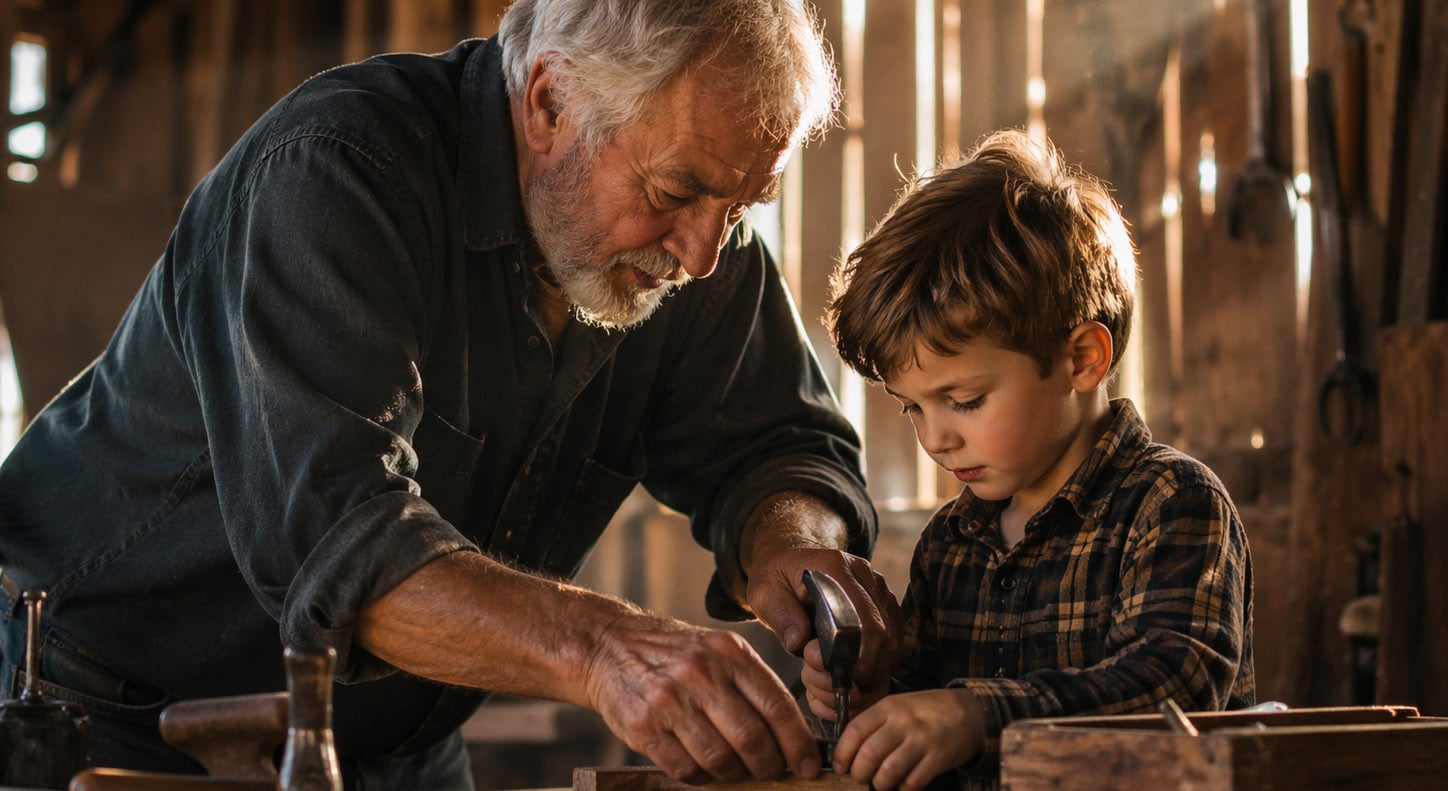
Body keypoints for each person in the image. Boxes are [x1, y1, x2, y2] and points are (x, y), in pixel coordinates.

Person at [0, 1, 903, 787]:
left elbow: (778, 445)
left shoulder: (695, 233)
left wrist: (794, 547)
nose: (705, 253)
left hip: (394, 739)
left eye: (742, 209)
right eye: (678, 192)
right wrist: (604, 649)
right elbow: (344, 545)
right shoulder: (334, 172)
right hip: (109, 706)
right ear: (551, 102)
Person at [802, 129, 1255, 790]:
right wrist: (875, 704)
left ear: (1081, 358)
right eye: (912, 407)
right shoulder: (949, 546)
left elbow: (1178, 691)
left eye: (964, 399)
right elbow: (928, 714)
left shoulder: (1171, 503)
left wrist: (977, 715)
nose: (935, 439)